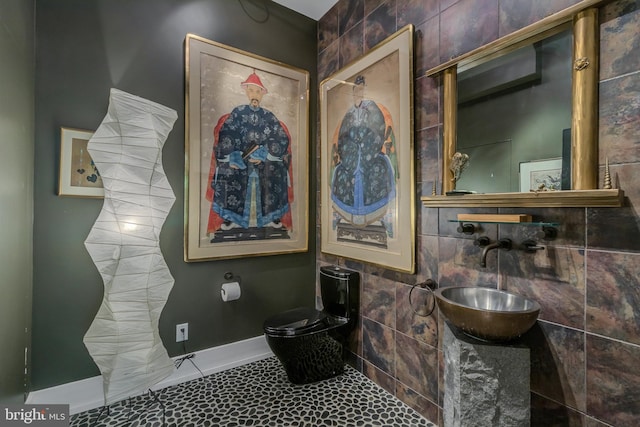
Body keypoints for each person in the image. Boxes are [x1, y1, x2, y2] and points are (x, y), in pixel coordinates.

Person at [205, 71, 293, 239]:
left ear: (262, 95)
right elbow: (227, 135)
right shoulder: (237, 113)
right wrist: (235, 155)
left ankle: (272, 216)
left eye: (258, 91)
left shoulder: (269, 117)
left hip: (264, 162)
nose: (255, 95)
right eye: (251, 90)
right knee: (230, 170)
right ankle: (232, 217)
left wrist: (264, 153)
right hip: (241, 160)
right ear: (246, 91)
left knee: (276, 170)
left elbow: (280, 137)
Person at [330, 75, 396, 234]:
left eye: (361, 90)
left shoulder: (372, 107)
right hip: (350, 156)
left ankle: (382, 216)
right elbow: (342, 138)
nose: (358, 94)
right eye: (355, 91)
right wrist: (350, 151)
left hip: (370, 154)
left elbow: (377, 131)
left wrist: (364, 148)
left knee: (379, 170)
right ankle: (342, 215)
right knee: (339, 173)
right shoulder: (349, 113)